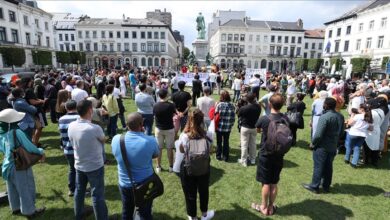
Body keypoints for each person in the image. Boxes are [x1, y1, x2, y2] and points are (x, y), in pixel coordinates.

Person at [111, 112, 160, 220]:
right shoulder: (150, 141)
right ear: (141, 124)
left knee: (126, 211)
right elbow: (155, 155)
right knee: (145, 213)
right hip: (145, 183)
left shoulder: (116, 139)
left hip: (125, 183)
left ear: (127, 125)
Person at [0, 108, 46, 218]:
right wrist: (41, 151)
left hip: (7, 164)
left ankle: (15, 208)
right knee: (26, 187)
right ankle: (29, 211)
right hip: (19, 164)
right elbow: (29, 147)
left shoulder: (1, 133)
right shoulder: (17, 132)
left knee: (12, 187)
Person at [68, 100, 108, 220]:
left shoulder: (72, 125)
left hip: (79, 164)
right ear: (90, 110)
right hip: (94, 165)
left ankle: (79, 215)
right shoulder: (94, 128)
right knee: (97, 194)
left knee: (79, 191)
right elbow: (103, 139)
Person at [252, 93, 286, 216]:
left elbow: (258, 129)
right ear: (282, 105)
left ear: (269, 104)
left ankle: (263, 207)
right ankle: (271, 207)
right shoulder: (285, 118)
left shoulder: (264, 118)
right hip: (279, 154)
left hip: (266, 154)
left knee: (265, 183)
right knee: (274, 182)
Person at [178, 108, 215, 220]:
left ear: (189, 120)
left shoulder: (184, 136)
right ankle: (204, 214)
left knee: (190, 193)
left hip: (188, 167)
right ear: (202, 120)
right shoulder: (208, 134)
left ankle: (193, 217)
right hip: (204, 166)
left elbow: (181, 150)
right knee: (204, 190)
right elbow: (210, 150)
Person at [302, 97, 344, 194]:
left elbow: (318, 134)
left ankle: (314, 186)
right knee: (329, 166)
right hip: (333, 146)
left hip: (322, 146)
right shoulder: (340, 116)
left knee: (318, 166)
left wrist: (313, 143)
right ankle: (326, 186)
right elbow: (341, 133)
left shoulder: (325, 117)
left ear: (326, 105)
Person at [58, 100, 80, 196]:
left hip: (67, 148)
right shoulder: (79, 118)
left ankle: (71, 189)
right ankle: (80, 188)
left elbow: (62, 135)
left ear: (66, 108)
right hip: (79, 148)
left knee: (72, 169)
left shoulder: (61, 119)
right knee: (80, 170)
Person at [153, 89, 176, 173]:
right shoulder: (171, 105)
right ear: (166, 95)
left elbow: (154, 115)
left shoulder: (155, 105)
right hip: (169, 129)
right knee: (170, 148)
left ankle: (158, 166)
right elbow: (174, 114)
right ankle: (171, 167)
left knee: (159, 148)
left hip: (159, 129)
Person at [344, 103, 373, 168]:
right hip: (362, 135)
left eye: (359, 108)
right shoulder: (369, 117)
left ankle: (347, 159)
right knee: (357, 148)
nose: (358, 109)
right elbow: (371, 128)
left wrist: (352, 116)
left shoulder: (358, 116)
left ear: (362, 109)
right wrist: (365, 126)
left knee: (349, 146)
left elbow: (349, 123)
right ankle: (354, 163)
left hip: (353, 133)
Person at [238, 92, 261, 167]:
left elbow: (239, 114)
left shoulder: (244, 108)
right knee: (253, 144)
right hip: (254, 127)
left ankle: (244, 160)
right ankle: (253, 159)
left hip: (245, 127)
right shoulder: (258, 107)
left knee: (244, 144)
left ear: (247, 99)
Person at [215, 90, 235, 162]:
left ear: (222, 97)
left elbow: (215, 115)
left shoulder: (219, 105)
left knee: (219, 142)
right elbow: (233, 118)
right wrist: (231, 125)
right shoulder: (232, 105)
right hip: (227, 127)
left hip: (219, 127)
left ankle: (218, 156)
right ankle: (225, 157)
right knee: (226, 142)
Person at [363, 98, 384, 167]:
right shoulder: (381, 111)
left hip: (370, 130)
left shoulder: (371, 112)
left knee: (367, 146)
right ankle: (374, 161)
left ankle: (366, 161)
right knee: (375, 147)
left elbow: (367, 122)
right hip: (377, 129)